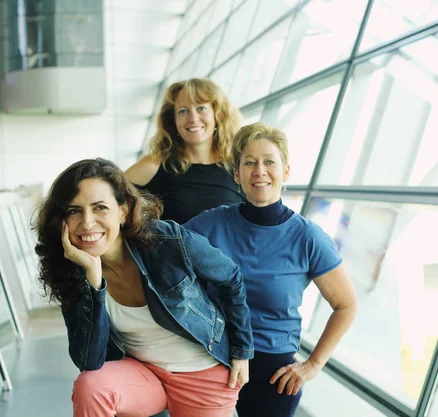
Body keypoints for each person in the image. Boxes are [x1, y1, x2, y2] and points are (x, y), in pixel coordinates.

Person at [34, 158, 253, 417]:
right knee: (90, 385)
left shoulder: (168, 240)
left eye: (100, 208)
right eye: (74, 211)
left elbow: (231, 278)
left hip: (202, 373)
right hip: (142, 374)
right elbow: (89, 362)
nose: (87, 222)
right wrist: (94, 280)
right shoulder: (72, 271)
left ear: (123, 211)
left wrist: (242, 351)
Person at [184, 123, 358, 417]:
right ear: (236, 174)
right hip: (210, 357)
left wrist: (312, 366)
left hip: (272, 371)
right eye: (249, 162)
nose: (259, 171)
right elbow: (162, 257)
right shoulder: (209, 224)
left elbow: (346, 305)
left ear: (285, 172)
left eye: (269, 162)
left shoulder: (309, 238)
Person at [125, 78, 245, 224]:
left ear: (217, 115)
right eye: (183, 111)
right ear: (173, 121)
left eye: (201, 108)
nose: (193, 119)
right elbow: (108, 200)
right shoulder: (153, 166)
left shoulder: (240, 167)